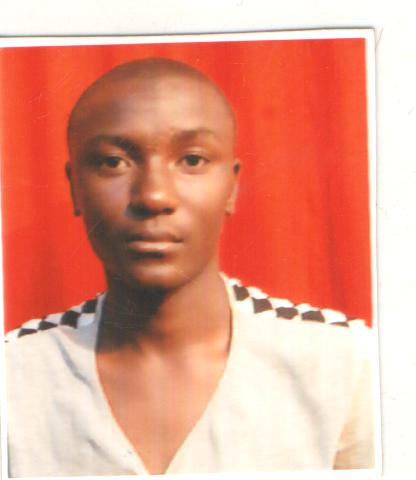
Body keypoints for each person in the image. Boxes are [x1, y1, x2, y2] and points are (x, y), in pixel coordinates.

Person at [5, 58, 374, 476]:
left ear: (231, 186)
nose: (154, 196)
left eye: (193, 160)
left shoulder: (344, 365)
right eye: (113, 162)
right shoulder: (16, 376)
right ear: (75, 187)